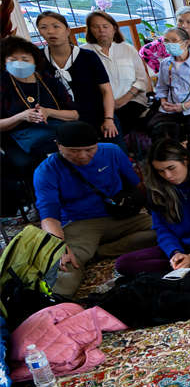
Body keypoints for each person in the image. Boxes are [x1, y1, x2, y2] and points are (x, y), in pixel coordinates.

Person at [33, 122, 155, 297]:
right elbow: (49, 216)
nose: (83, 156)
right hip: (80, 223)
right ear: (58, 146)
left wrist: (155, 209)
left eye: (90, 149)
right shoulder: (46, 170)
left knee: (169, 230)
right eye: (74, 151)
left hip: (119, 215)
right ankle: (56, 301)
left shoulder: (112, 151)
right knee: (65, 263)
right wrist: (58, 245)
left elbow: (138, 185)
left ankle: (100, 251)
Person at [116, 138, 190, 277]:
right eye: (160, 171)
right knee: (124, 263)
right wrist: (175, 253)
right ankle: (185, 268)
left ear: (185, 160)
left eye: (171, 168)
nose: (167, 176)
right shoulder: (157, 190)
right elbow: (161, 229)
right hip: (181, 246)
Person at [2, 35, 79, 179]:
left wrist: (49, 112)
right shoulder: (3, 84)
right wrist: (21, 116)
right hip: (20, 138)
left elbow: (75, 114)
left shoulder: (49, 80)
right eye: (12, 60)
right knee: (26, 163)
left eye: (25, 59)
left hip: (57, 130)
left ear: (34, 61)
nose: (19, 64)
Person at [36, 11, 112, 136]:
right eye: (43, 27)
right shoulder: (37, 58)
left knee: (112, 144)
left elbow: (106, 90)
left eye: (56, 26)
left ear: (67, 30)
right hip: (59, 120)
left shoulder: (88, 56)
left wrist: (109, 119)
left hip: (97, 116)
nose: (50, 31)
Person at [84, 11, 151, 135]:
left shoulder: (127, 48)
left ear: (114, 28)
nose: (101, 30)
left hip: (132, 100)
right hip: (101, 105)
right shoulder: (84, 52)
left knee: (121, 120)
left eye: (105, 26)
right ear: (90, 30)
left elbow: (142, 79)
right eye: (96, 27)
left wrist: (123, 100)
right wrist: (108, 105)